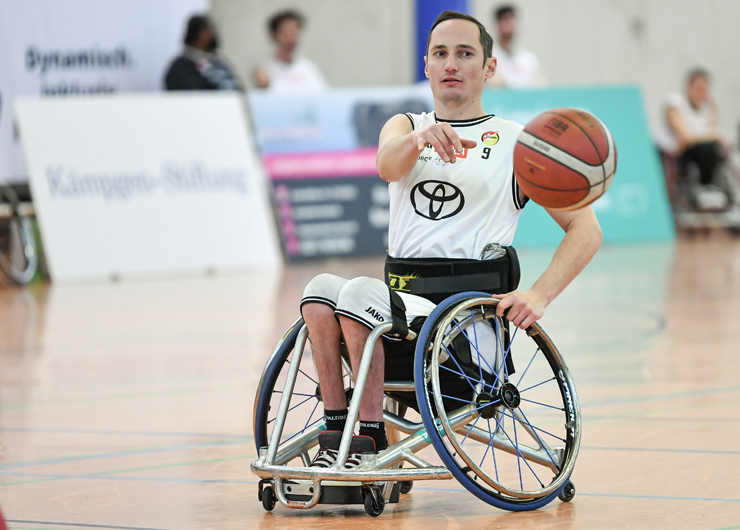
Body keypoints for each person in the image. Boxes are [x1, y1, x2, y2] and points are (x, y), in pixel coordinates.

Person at [297, 11, 602, 468]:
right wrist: (420, 139)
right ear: (426, 65)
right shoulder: (405, 126)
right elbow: (386, 166)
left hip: (464, 330)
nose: (451, 64)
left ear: (490, 67)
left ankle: (371, 441)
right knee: (320, 290)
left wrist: (539, 295)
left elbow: (587, 230)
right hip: (396, 315)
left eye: (464, 53)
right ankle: (336, 432)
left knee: (359, 293)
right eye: (440, 53)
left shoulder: (518, 145)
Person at [657, 68, 728, 186]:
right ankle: (705, 185)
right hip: (671, 157)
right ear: (688, 87)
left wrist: (713, 107)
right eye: (699, 89)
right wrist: (714, 136)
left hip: (693, 156)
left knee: (716, 150)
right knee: (707, 148)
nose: (702, 94)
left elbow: (712, 131)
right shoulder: (674, 103)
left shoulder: (704, 110)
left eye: (705, 90)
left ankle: (710, 185)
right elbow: (686, 138)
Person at [253, 10, 327, 93]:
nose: (291, 36)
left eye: (295, 31)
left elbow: (323, 94)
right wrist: (264, 86)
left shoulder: (309, 69)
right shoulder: (264, 71)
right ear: (274, 35)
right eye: (286, 31)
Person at [164, 15, 241, 91]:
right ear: (197, 33)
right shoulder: (181, 66)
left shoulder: (218, 62)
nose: (212, 34)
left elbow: (235, 86)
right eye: (207, 30)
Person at [488, 5, 544, 88]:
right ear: (497, 25)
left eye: (511, 20)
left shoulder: (529, 59)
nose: (508, 24)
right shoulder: (488, 57)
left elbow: (539, 87)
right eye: (504, 20)